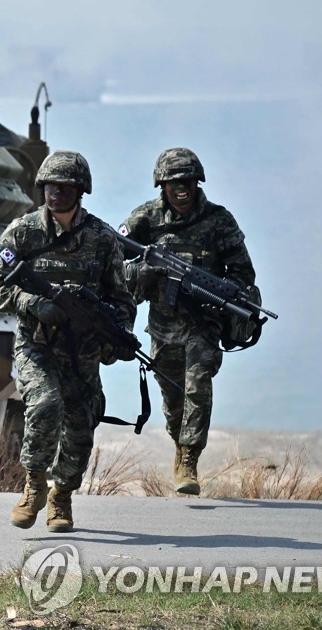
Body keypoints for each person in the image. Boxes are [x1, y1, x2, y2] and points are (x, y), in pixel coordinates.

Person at [0, 150, 135, 532]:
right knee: (46, 403)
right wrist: (30, 302)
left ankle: (62, 496)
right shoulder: (22, 232)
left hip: (82, 351)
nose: (56, 194)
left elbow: (122, 299)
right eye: (51, 186)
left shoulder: (102, 239)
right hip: (36, 344)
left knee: (82, 425)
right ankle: (34, 483)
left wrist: (114, 335)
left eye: (65, 187)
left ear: (80, 191)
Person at [118, 147, 256, 495]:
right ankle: (179, 444)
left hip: (203, 323)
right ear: (161, 184)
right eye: (174, 181)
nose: (182, 187)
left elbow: (243, 272)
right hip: (163, 326)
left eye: (188, 180)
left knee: (198, 385)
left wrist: (222, 293)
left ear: (197, 182)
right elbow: (112, 264)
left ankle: (190, 459)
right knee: (174, 398)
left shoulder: (219, 220)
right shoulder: (144, 219)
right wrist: (144, 273)